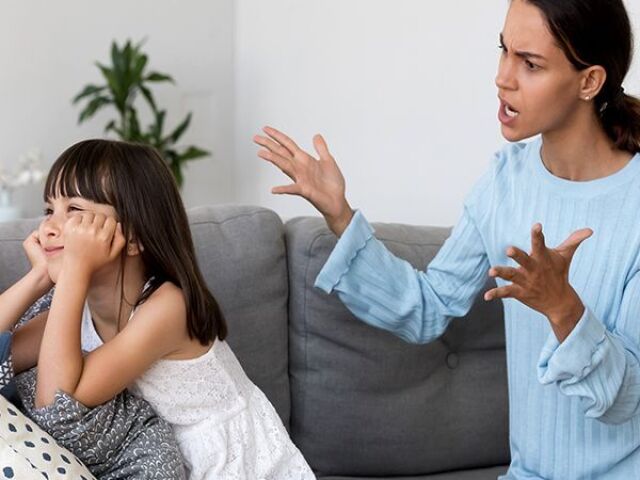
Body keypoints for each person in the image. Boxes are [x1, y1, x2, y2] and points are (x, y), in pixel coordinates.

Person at [254, 0, 640, 478]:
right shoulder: (505, 184)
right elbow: (428, 306)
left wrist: (564, 309)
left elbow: (626, 400)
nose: (503, 78)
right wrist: (340, 214)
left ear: (589, 81)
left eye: (530, 64)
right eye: (504, 51)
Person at [19, 139, 314, 479]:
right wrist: (40, 277)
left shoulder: (169, 307)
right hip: (160, 460)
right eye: (48, 210)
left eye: (75, 210)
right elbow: (5, 352)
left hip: (232, 466)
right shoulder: (75, 308)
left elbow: (57, 403)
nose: (48, 227)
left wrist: (70, 274)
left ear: (131, 236)